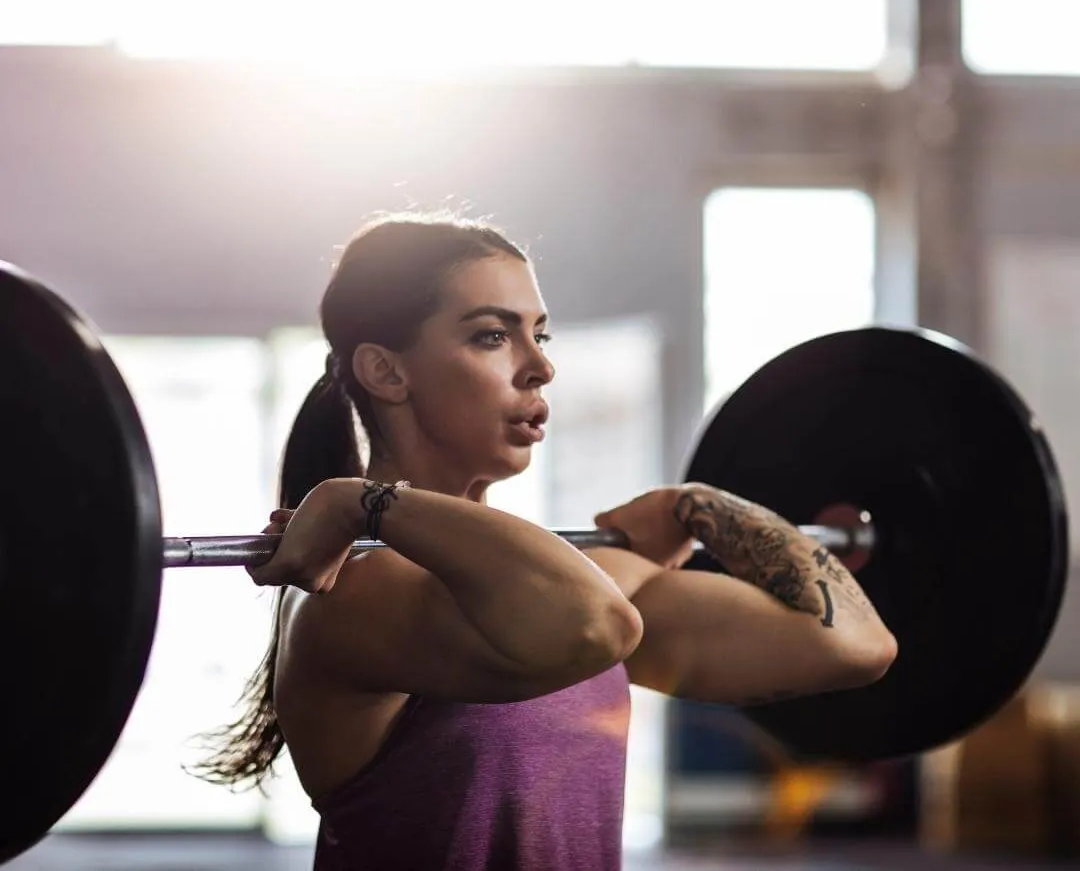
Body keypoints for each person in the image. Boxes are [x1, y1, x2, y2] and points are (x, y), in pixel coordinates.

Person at [193, 212, 897, 870]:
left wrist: (704, 506)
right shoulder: (355, 593)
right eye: (492, 335)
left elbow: (854, 644)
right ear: (387, 370)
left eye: (541, 334)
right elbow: (597, 624)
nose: (540, 366)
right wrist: (363, 505)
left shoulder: (571, 578)